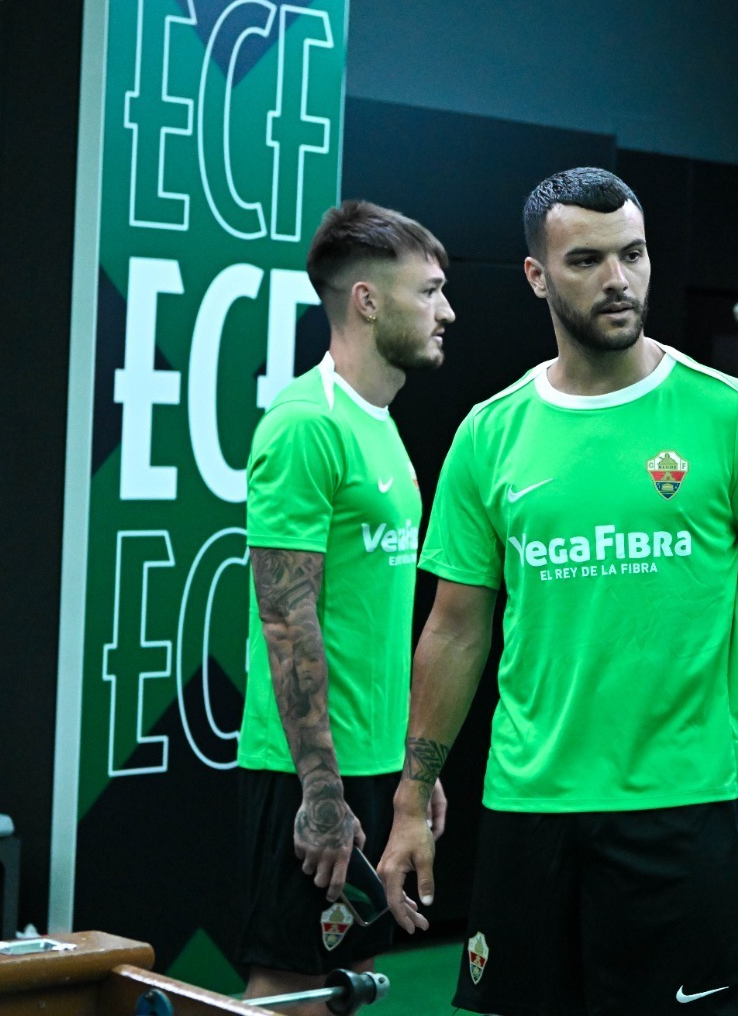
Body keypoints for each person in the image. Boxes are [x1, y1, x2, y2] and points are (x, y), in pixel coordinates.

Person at [376, 167, 738, 1015]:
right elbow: (454, 632)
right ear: (536, 276)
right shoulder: (489, 433)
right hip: (530, 808)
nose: (618, 279)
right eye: (586, 260)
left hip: (683, 809)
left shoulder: (733, 414)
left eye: (633, 253)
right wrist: (411, 798)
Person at [234, 200, 454, 1014]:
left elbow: (376, 621)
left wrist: (410, 769)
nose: (446, 311)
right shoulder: (304, 426)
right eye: (429, 291)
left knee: (341, 989)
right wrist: (321, 788)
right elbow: (286, 620)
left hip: (371, 761)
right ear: (366, 300)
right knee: (285, 992)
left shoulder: (379, 427)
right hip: (305, 772)